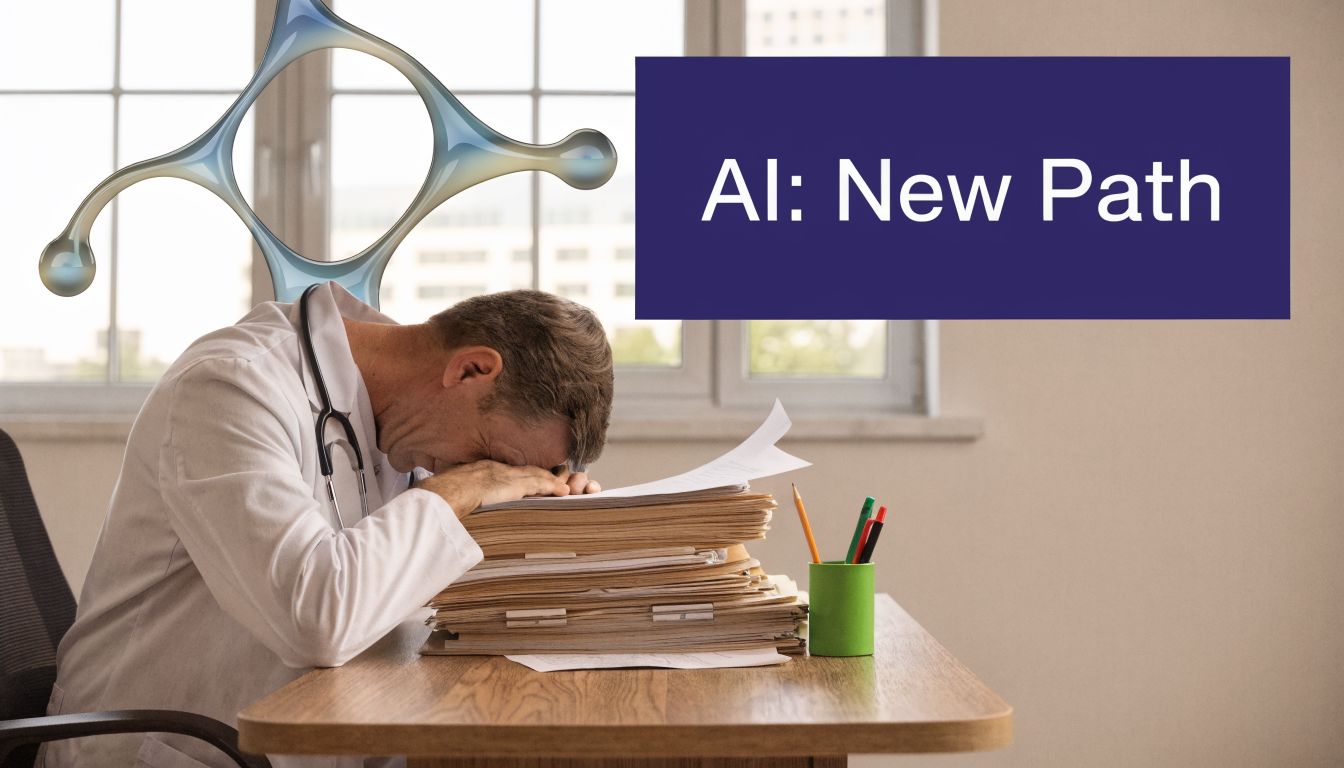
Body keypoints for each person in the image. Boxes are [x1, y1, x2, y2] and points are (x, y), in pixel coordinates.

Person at [40, 281, 614, 768]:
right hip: (162, 749)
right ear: (470, 369)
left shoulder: (396, 425)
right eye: (492, 455)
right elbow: (316, 617)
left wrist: (543, 531)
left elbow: (408, 584)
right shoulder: (230, 386)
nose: (483, 473)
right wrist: (463, 489)